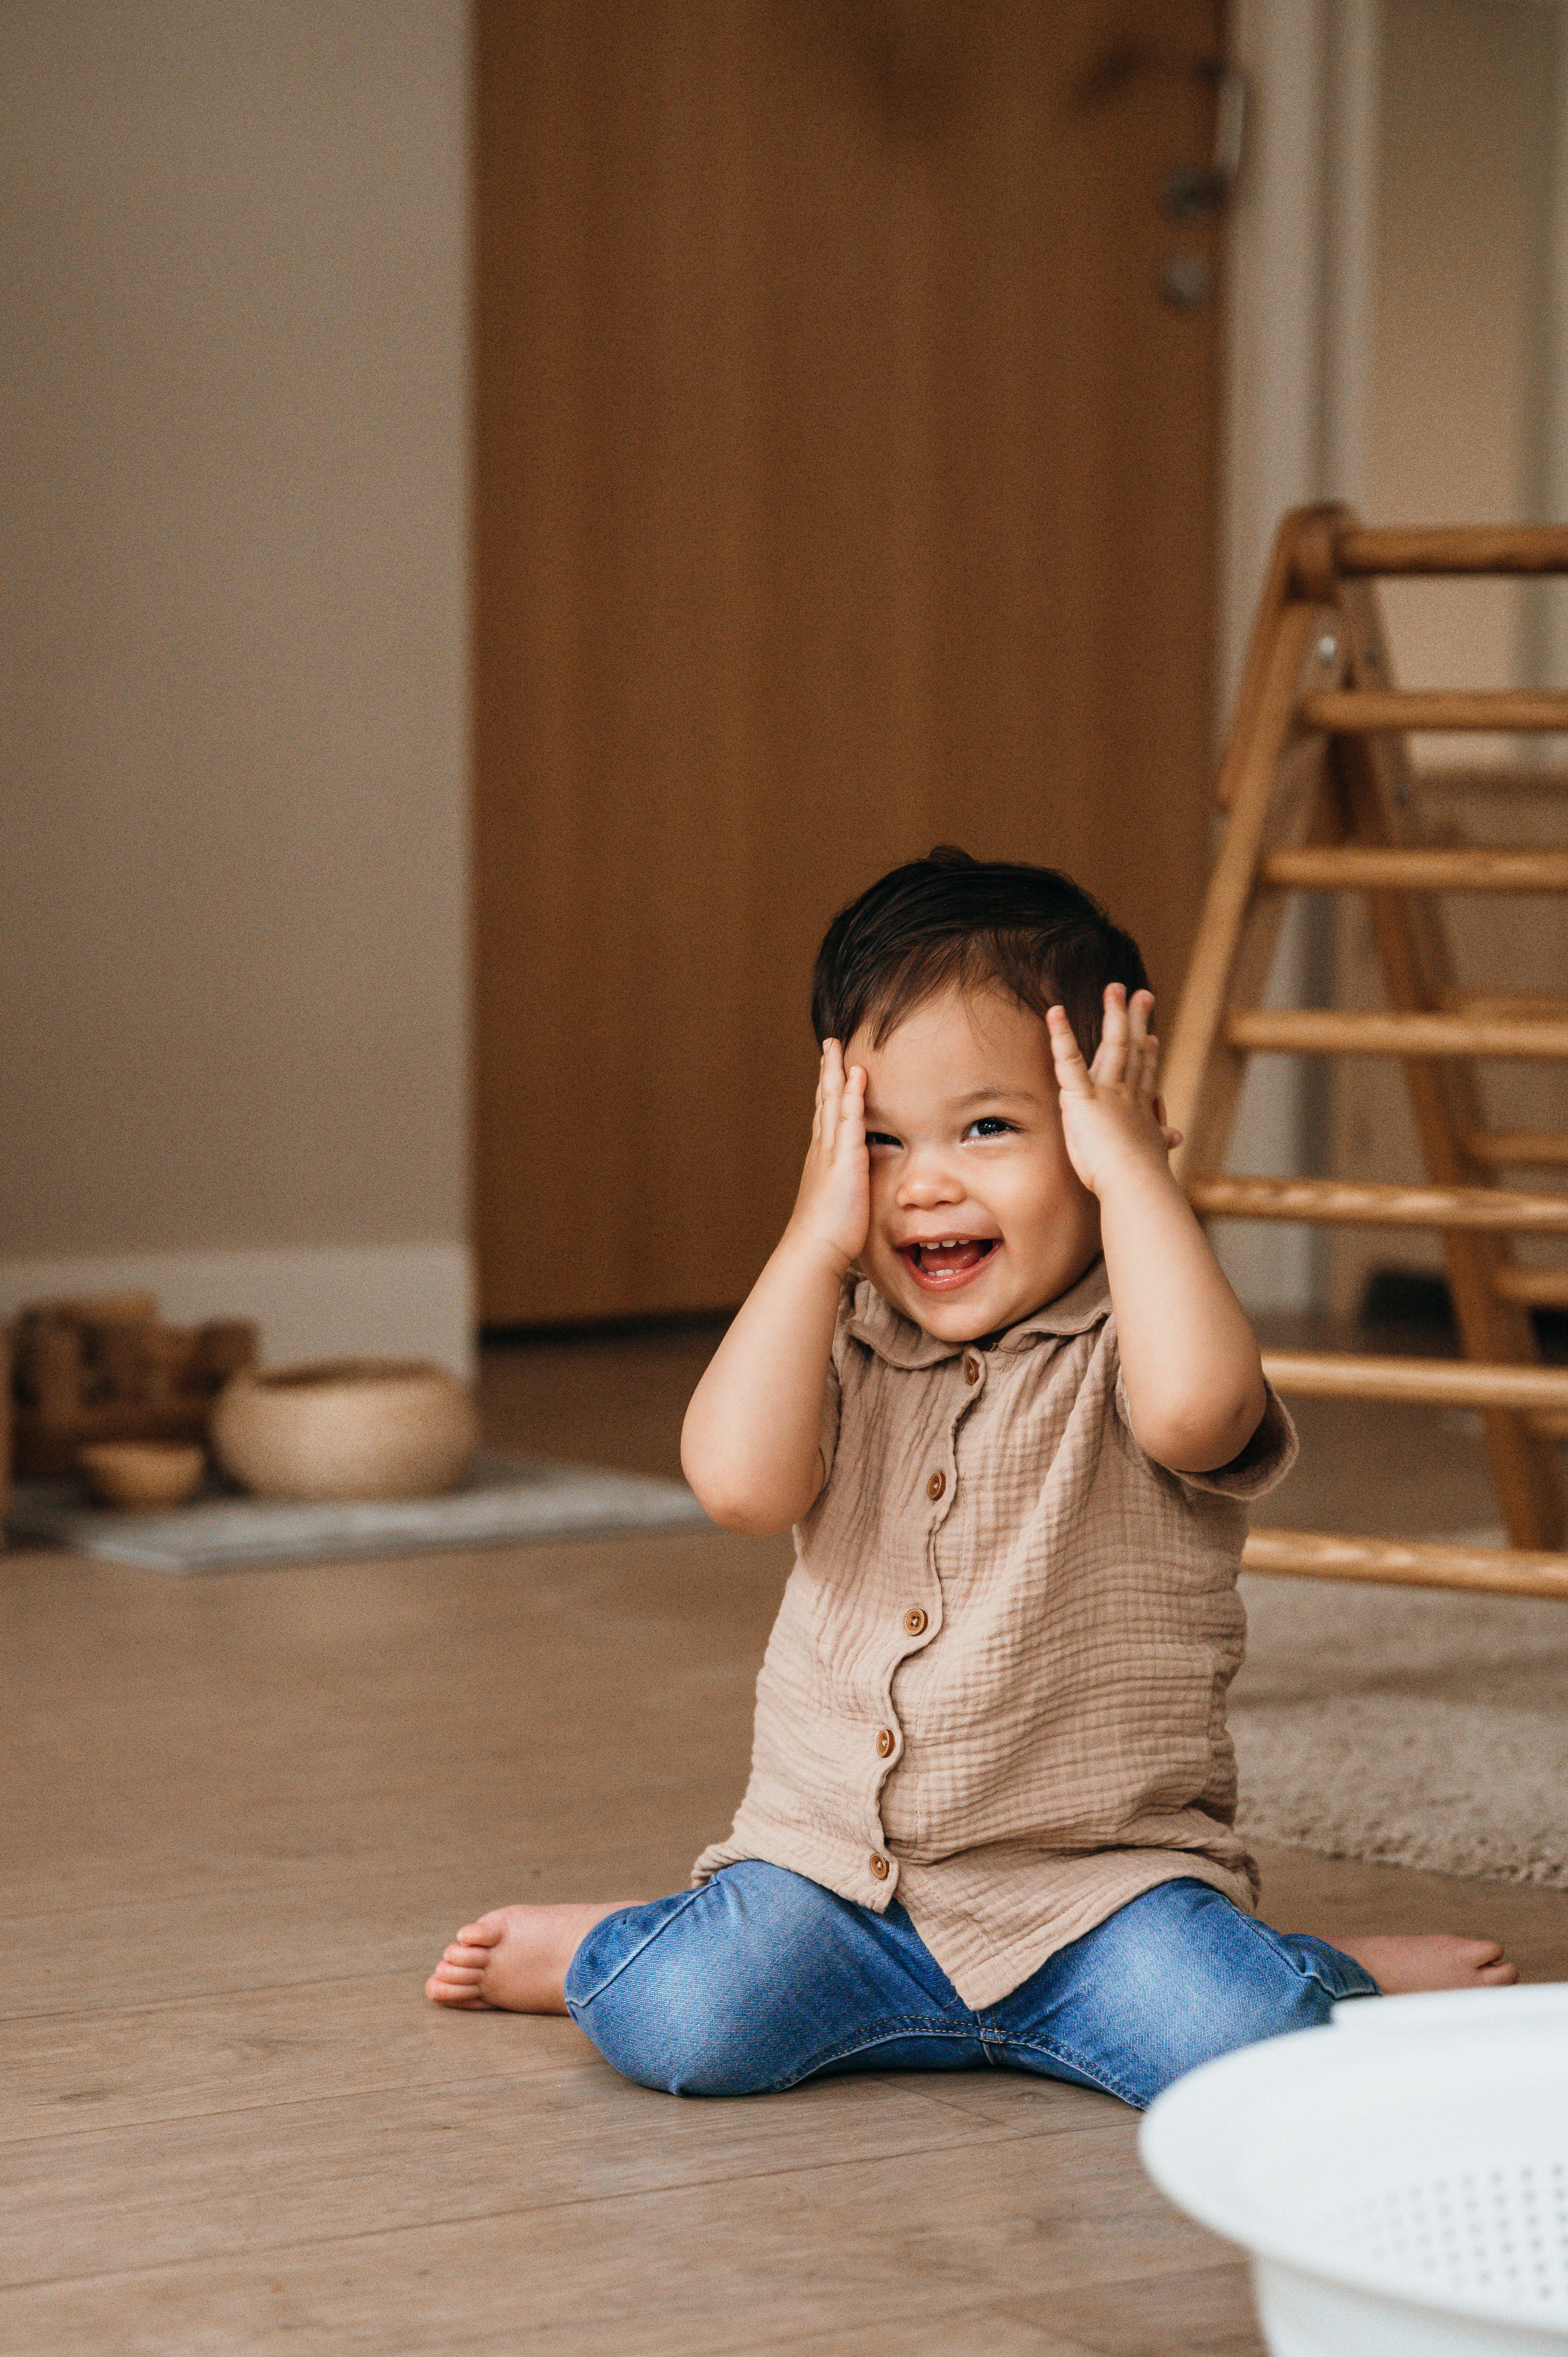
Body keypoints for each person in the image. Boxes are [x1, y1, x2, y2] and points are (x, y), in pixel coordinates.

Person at [428, 849, 1515, 2104]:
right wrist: (809, 1238)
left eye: (988, 1127)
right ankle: (643, 1934)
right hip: (835, 1890)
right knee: (683, 2024)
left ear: (1114, 1134)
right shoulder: (839, 1343)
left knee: (1244, 2043)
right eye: (880, 1141)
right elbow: (735, 1484)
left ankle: (1318, 1971)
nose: (928, 1180)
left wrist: (1140, 1181)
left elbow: (1199, 1409)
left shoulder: (1143, 1336)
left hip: (1101, 1902)